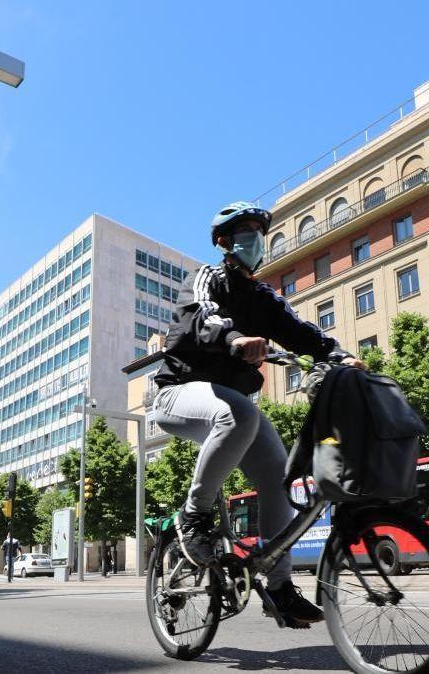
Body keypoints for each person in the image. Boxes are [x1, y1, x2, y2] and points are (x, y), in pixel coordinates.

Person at [153, 201, 367, 627]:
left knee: (279, 477)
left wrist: (339, 355)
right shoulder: (206, 278)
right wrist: (235, 339)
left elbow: (302, 333)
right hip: (176, 395)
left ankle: (280, 586)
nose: (254, 238)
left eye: (258, 231)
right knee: (240, 416)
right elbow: (200, 318)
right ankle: (194, 516)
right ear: (223, 242)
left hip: (229, 403)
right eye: (244, 231)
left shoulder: (264, 297)